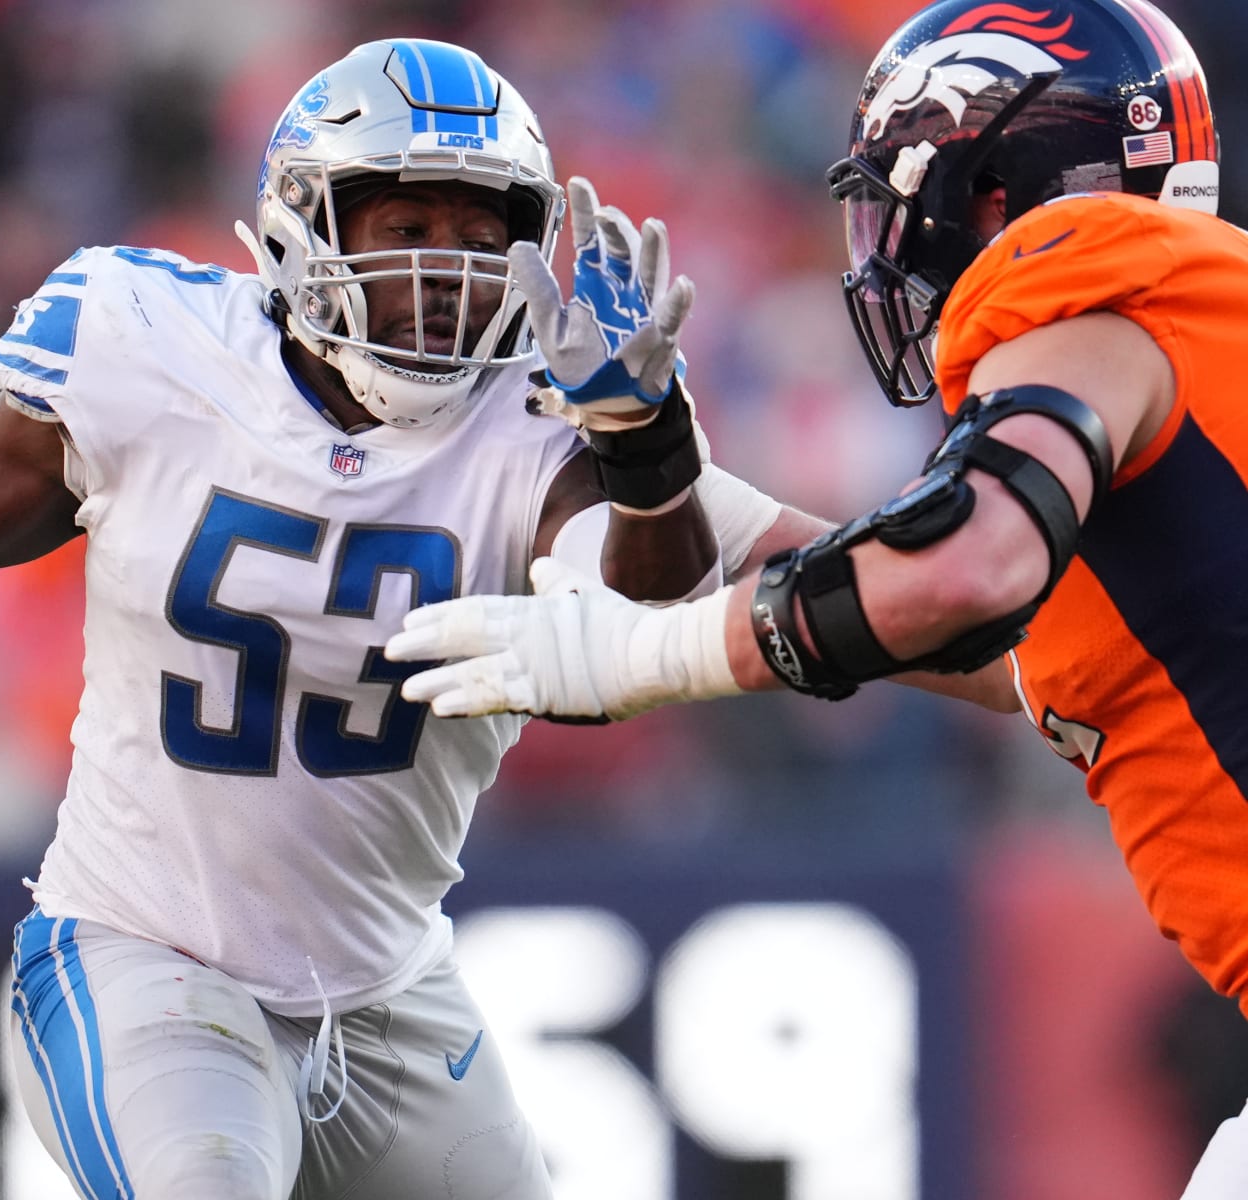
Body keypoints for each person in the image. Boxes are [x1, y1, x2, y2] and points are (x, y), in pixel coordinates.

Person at [0, 39, 824, 1200]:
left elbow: (635, 615)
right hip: (145, 958)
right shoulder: (150, 348)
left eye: (479, 236)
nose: (443, 268)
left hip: (386, 996)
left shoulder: (542, 424)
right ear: (304, 225)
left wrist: (646, 441)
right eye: (404, 221)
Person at [384, 1, 1248, 1193]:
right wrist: (693, 492)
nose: (882, 247)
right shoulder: (1191, 351)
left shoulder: (1078, 296)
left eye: (895, 201)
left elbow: (967, 567)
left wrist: (652, 659)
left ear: (992, 192)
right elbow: (1007, 644)